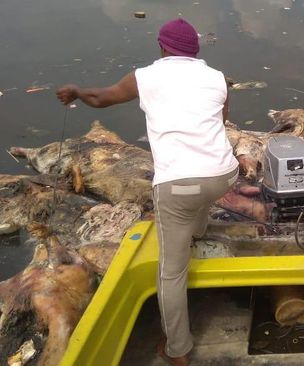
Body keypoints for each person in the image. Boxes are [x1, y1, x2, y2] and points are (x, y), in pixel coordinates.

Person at [56, 18, 238, 365]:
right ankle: (197, 229)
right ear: (195, 51)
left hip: (178, 186)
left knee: (171, 273)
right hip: (223, 174)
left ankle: (177, 349)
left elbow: (101, 98)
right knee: (198, 194)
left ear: (162, 47)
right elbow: (222, 118)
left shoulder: (145, 76)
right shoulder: (217, 77)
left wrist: (77, 91)